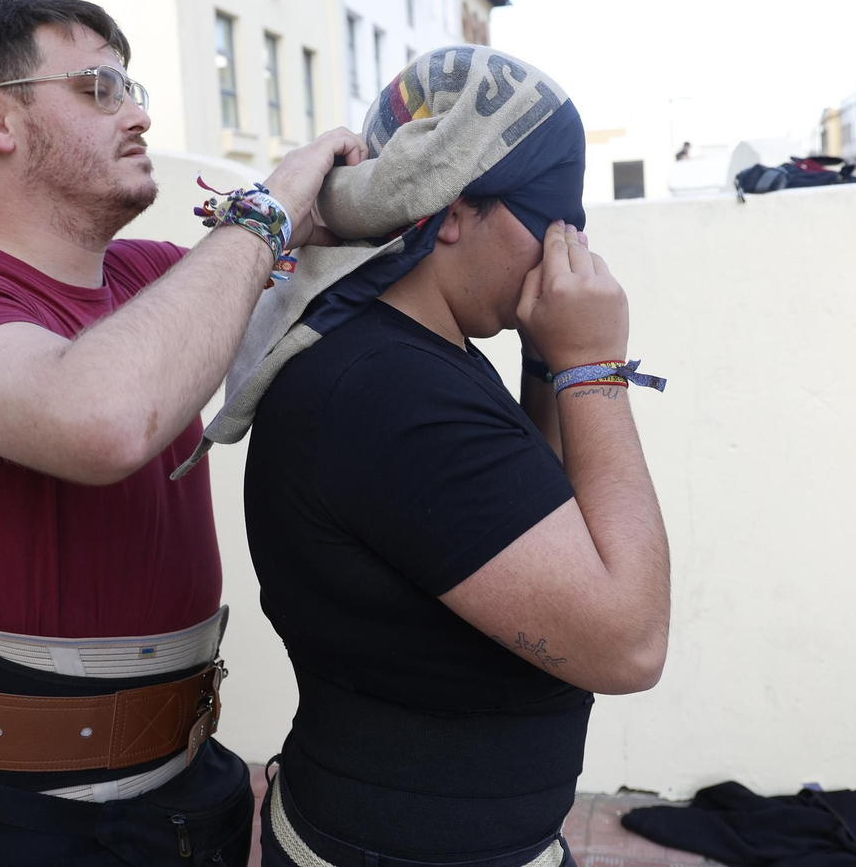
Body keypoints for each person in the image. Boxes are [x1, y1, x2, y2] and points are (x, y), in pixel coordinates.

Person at [0, 0, 366, 863]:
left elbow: (321, 266)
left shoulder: (151, 277)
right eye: (99, 87)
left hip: (183, 790)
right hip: (26, 823)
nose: (135, 113)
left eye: (133, 89)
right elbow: (103, 420)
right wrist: (267, 206)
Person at [211, 48, 669, 867]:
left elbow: (542, 514)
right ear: (451, 210)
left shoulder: (403, 356)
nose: (568, 243)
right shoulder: (392, 394)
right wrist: (595, 370)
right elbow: (627, 643)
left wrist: (545, 360)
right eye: (551, 214)